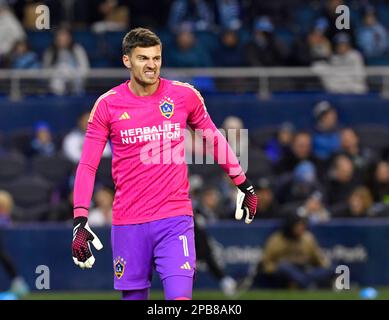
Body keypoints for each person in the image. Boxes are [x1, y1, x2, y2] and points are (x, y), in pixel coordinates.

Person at [71, 28, 258, 301]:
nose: (151, 65)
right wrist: (80, 220)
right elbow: (87, 166)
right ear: (127, 61)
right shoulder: (107, 106)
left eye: (156, 58)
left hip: (175, 219)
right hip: (128, 223)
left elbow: (214, 139)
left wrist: (243, 183)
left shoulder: (184, 96)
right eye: (143, 58)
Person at [260, 212, 333, 289]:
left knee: (331, 269)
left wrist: (326, 268)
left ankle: (304, 282)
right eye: (298, 225)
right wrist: (276, 269)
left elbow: (318, 259)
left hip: (305, 270)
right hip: (284, 275)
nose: (301, 227)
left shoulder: (307, 238)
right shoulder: (277, 240)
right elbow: (266, 263)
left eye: (302, 225)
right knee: (284, 266)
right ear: (291, 226)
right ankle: (306, 283)